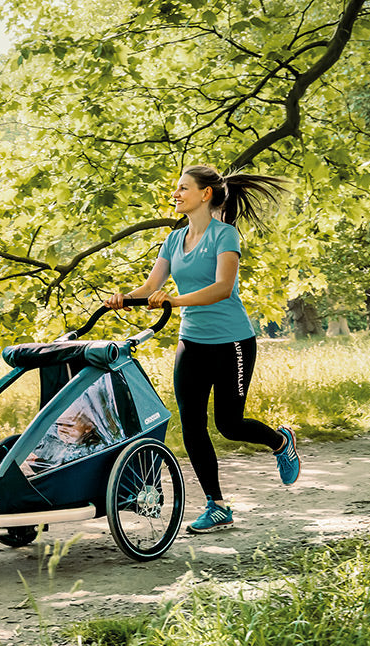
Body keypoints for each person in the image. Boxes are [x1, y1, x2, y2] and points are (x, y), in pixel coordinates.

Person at [105, 164, 302, 533]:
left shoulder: (224, 235)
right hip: (191, 344)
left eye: (183, 188)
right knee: (193, 425)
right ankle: (217, 505)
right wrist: (123, 298)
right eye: (176, 188)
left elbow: (222, 287)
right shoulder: (173, 240)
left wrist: (174, 302)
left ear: (205, 194)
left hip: (232, 343)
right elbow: (151, 287)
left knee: (229, 424)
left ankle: (280, 441)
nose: (176, 194)